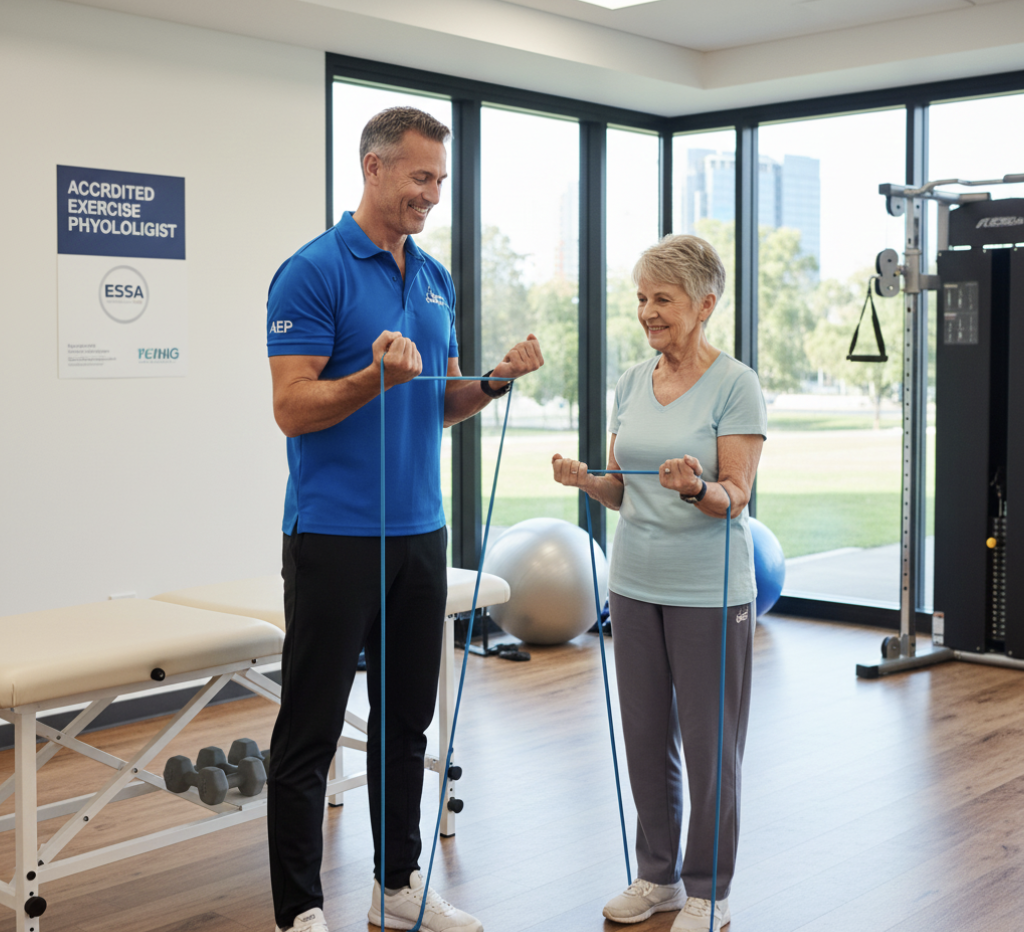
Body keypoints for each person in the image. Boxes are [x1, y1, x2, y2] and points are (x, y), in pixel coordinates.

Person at [265, 107, 543, 932]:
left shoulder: (433, 276)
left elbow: (439, 399)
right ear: (373, 166)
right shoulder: (311, 272)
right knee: (311, 727)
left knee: (407, 723)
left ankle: (396, 887)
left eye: (440, 181)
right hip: (333, 533)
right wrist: (367, 380)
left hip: (421, 534)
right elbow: (291, 407)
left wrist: (491, 381)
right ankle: (302, 909)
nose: (431, 194)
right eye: (420, 177)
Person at [551, 234, 765, 932]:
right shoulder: (629, 382)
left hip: (710, 591)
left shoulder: (736, 384)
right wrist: (589, 482)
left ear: (703, 305)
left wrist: (696, 487)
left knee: (710, 747)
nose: (647, 311)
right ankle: (657, 877)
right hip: (634, 584)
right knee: (645, 737)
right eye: (642, 298)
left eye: (662, 299)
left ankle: (709, 887)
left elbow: (736, 495)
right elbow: (622, 491)